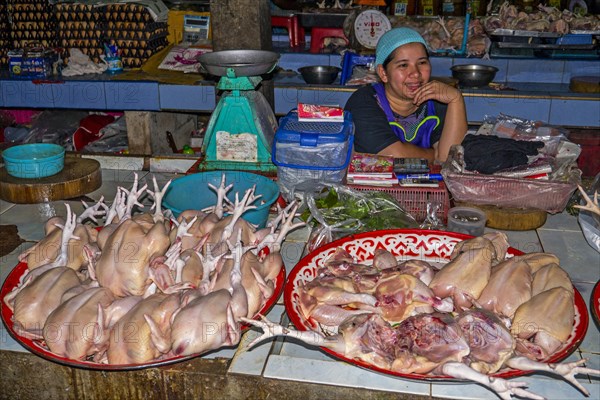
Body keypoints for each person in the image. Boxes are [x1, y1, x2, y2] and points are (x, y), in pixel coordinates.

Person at [344, 27, 467, 163]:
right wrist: (433, 155)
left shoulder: (437, 101)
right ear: (383, 73)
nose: (415, 73)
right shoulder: (364, 102)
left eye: (422, 62)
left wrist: (456, 99)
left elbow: (449, 159)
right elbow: (394, 154)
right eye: (403, 65)